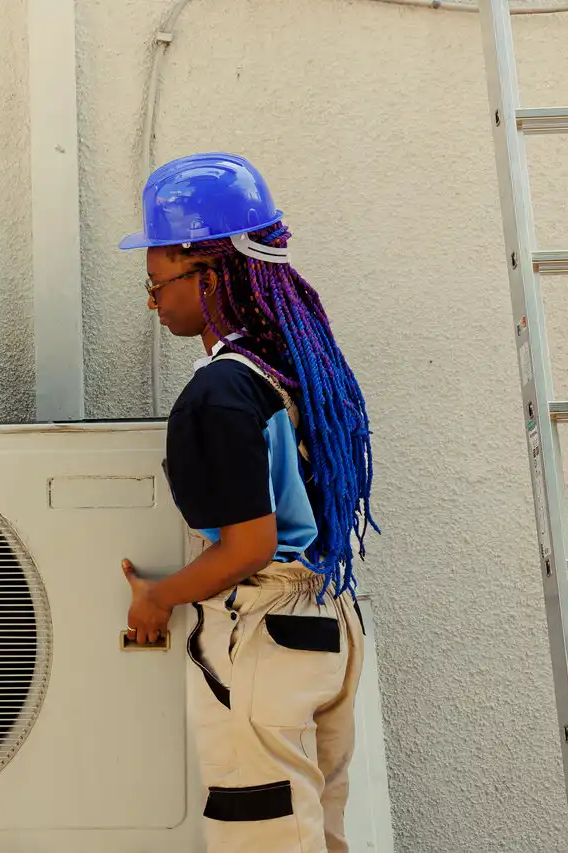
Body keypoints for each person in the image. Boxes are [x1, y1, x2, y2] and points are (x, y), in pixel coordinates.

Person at [117, 152, 378, 853]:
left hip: (264, 633)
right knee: (315, 833)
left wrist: (157, 597)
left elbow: (248, 546)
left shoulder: (219, 392)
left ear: (209, 272)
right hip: (327, 622)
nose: (152, 300)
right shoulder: (295, 369)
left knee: (261, 836)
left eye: (156, 279)